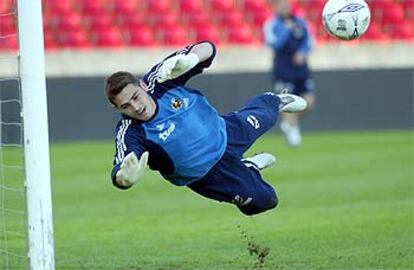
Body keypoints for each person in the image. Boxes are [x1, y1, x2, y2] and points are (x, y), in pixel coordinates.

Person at [104, 41, 307, 216]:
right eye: (125, 106)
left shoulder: (161, 78)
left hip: (225, 132)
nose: (136, 107)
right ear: (117, 109)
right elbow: (120, 169)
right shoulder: (130, 131)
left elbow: (208, 48)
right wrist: (125, 179)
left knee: (268, 113)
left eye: (135, 97)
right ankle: (249, 168)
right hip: (208, 176)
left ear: (142, 86)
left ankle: (276, 99)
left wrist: (192, 59)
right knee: (265, 200)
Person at [263, 0, 315, 147]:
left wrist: (303, 52)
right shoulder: (271, 24)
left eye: (287, 5)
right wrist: (286, 30)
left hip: (301, 69)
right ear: (276, 7)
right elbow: (274, 44)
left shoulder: (300, 21)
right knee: (286, 102)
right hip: (283, 69)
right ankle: (291, 130)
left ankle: (292, 124)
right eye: (282, 6)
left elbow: (309, 40)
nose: (285, 8)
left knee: (309, 101)